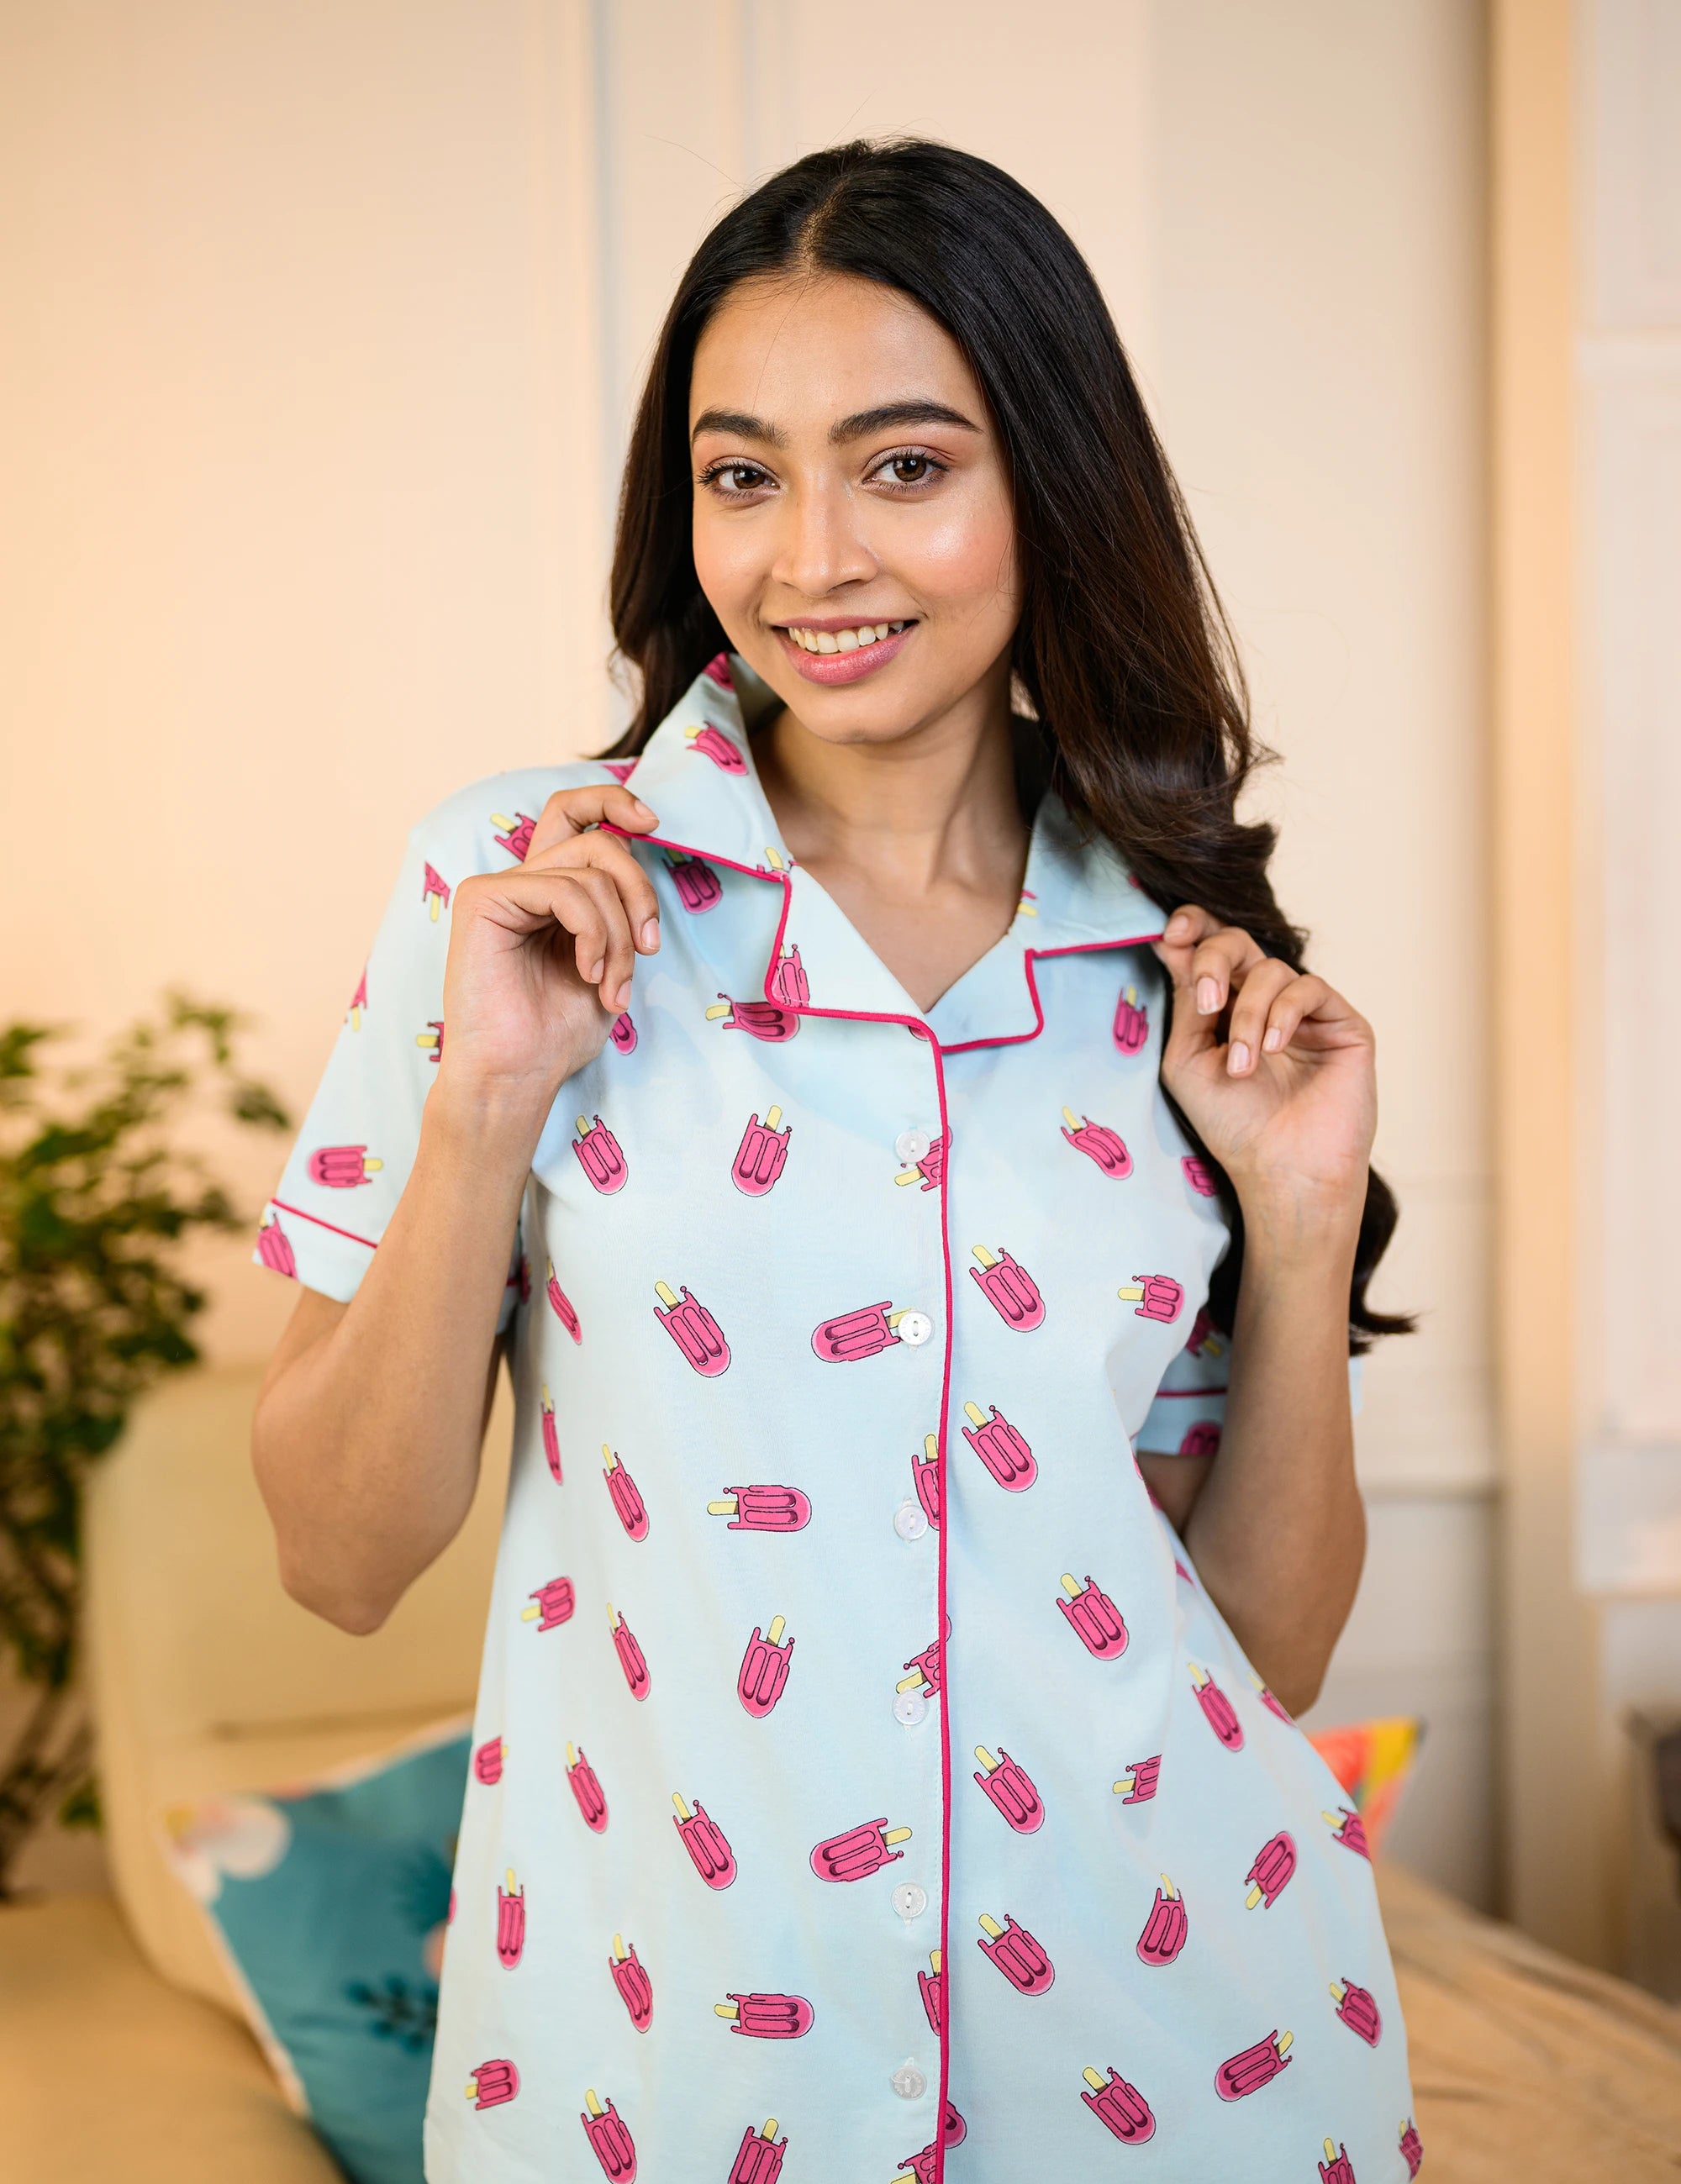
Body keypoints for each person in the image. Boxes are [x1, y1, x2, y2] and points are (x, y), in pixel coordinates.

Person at [252, 137, 1420, 2184]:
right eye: (740, 474)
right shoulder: (511, 890)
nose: (810, 557)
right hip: (671, 2071)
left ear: (1046, 482)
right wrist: (482, 1107)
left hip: (1185, 2062)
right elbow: (340, 1563)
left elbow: (1267, 1647)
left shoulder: (1172, 953)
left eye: (902, 466)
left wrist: (1300, 1217)